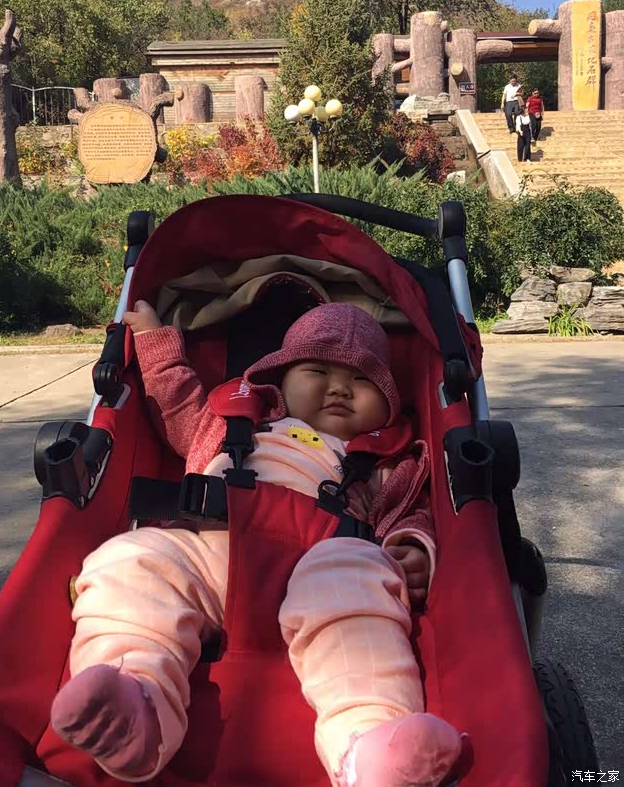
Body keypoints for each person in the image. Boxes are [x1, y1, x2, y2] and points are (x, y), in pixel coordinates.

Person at [50, 302, 465, 787]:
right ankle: (136, 702)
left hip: (320, 569)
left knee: (363, 579)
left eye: (362, 380)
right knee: (128, 561)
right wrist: (153, 338)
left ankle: (368, 742)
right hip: (208, 554)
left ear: (388, 402)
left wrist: (410, 547)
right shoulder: (233, 423)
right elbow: (176, 401)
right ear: (280, 381)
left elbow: (410, 512)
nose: (339, 388)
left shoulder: (386, 461)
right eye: (317, 372)